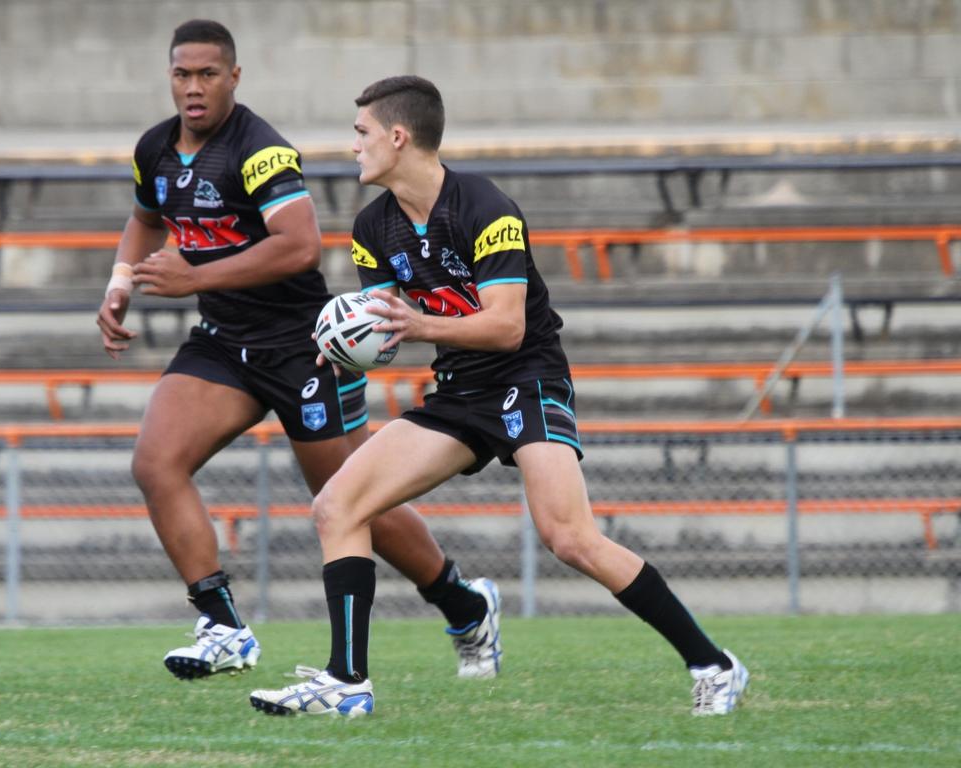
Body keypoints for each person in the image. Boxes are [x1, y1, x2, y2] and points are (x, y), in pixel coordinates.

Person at [248, 76, 748, 718]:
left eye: (362, 133)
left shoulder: (486, 207)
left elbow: (506, 326)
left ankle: (713, 664)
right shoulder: (373, 225)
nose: (354, 146)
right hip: (459, 390)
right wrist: (343, 340)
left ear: (398, 138)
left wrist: (420, 326)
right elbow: (385, 319)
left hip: (527, 378)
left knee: (570, 538)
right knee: (336, 506)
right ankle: (346, 683)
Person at [95, 22, 501, 682]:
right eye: (181, 75)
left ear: (234, 78)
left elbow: (300, 245)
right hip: (224, 343)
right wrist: (120, 284)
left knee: (348, 497)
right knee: (155, 462)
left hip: (301, 349)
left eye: (207, 75)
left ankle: (464, 605)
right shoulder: (156, 149)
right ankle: (223, 625)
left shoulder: (261, 153)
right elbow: (146, 216)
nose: (193, 88)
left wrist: (193, 277)